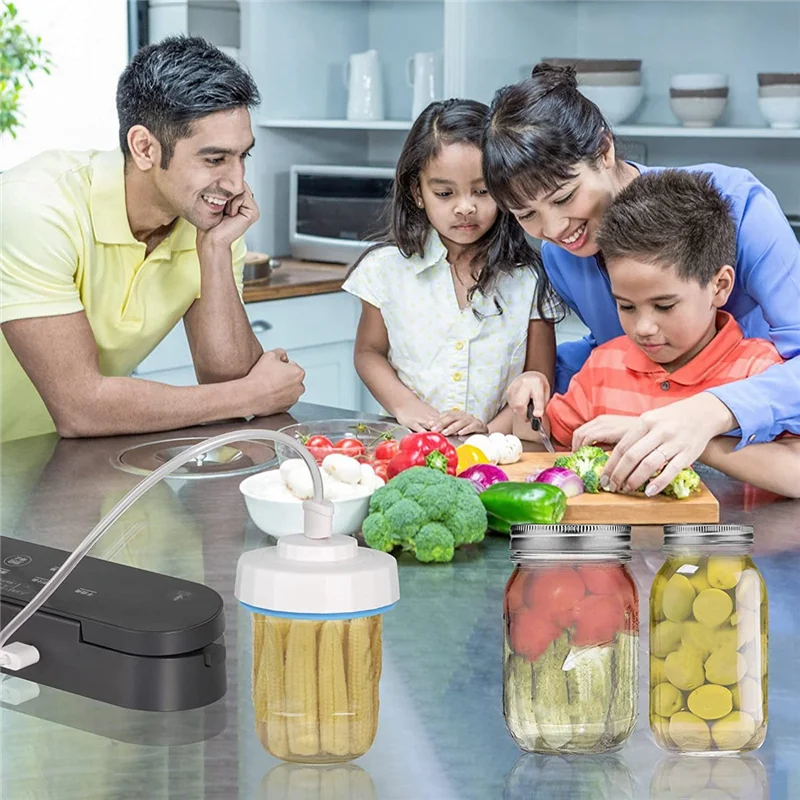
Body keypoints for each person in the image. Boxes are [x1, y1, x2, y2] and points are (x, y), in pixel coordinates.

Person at [483, 64, 800, 496]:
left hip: (766, 456)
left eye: (564, 197)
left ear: (604, 150)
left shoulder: (735, 204)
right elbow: (616, 351)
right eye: (527, 216)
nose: (555, 228)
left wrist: (710, 413)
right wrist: (541, 374)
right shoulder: (561, 256)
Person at [0, 36, 305, 443]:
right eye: (214, 159)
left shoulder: (206, 222)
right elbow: (81, 406)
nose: (236, 183)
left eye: (242, 156)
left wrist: (214, 253)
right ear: (144, 147)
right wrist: (250, 394)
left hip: (55, 456)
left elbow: (226, 377)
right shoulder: (35, 207)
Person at [510, 170, 800, 498]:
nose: (644, 328)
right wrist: (529, 394)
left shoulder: (759, 371)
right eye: (627, 307)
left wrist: (690, 439)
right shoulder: (604, 367)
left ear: (719, 287)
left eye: (664, 306)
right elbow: (538, 441)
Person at [343, 99, 561, 436]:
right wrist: (408, 408)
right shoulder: (385, 271)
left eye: (482, 190)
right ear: (417, 191)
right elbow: (369, 353)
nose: (465, 208)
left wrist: (486, 432)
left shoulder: (530, 280)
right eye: (445, 193)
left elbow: (538, 381)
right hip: (408, 444)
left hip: (496, 451)